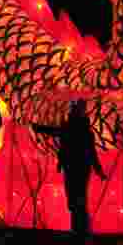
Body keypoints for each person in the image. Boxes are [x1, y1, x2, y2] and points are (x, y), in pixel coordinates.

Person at [31, 99, 107, 236]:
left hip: (74, 167)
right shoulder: (82, 131)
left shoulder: (73, 130)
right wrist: (99, 171)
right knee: (77, 197)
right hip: (79, 167)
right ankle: (80, 228)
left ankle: (80, 228)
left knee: (75, 197)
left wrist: (37, 128)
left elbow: (90, 152)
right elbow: (92, 153)